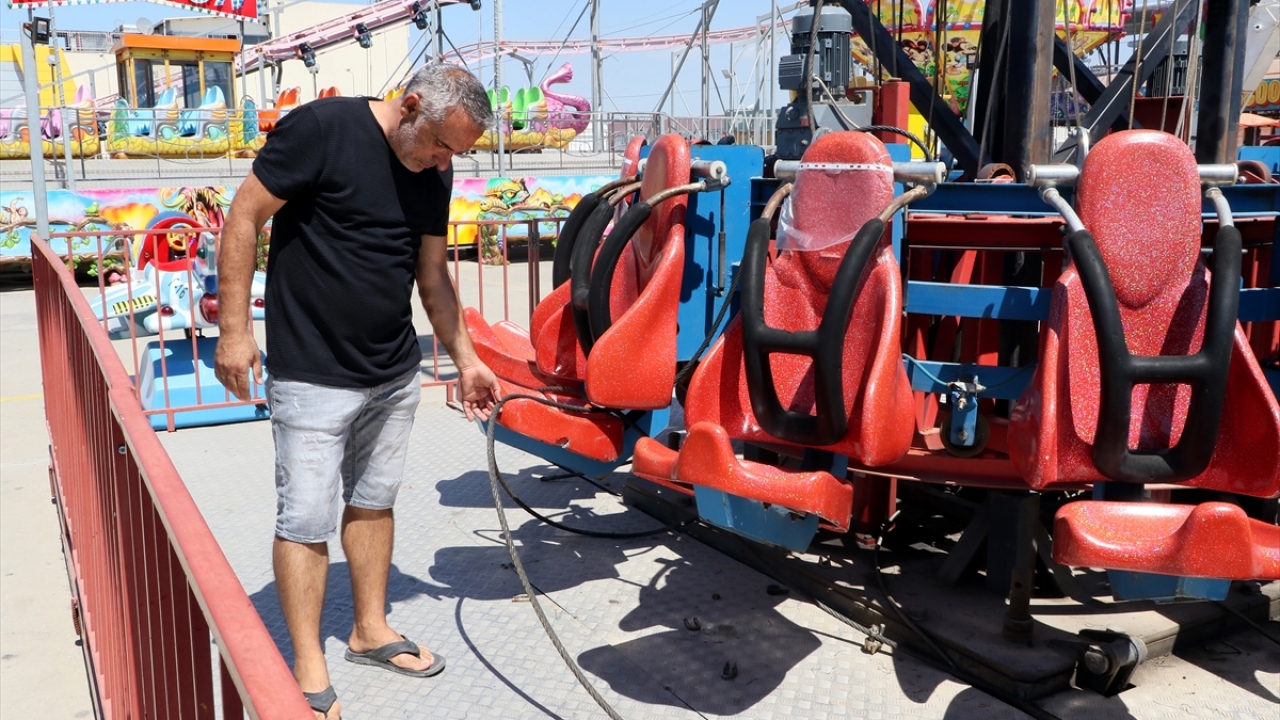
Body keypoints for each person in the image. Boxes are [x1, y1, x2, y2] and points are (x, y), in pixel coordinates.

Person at [214, 63, 501, 720]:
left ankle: (370, 628)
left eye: (454, 154)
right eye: (439, 145)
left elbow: (432, 276)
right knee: (305, 519)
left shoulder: (436, 167)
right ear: (409, 106)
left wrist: (466, 358)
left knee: (374, 503)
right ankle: (308, 662)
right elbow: (243, 217)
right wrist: (235, 331)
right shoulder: (321, 129)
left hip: (393, 371)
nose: (441, 163)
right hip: (312, 374)